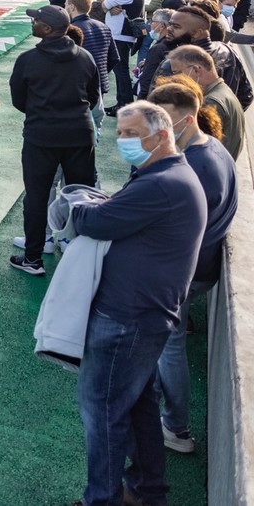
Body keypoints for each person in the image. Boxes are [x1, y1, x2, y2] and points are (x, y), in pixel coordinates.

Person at [66, 101, 206, 506]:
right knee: (137, 406)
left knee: (103, 412)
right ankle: (147, 490)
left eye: (132, 134)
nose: (124, 140)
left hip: (126, 319)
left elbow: (94, 221)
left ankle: (102, 499)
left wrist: (80, 205)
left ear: (162, 135)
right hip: (144, 316)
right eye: (121, 133)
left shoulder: (161, 184)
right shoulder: (167, 176)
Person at [144, 77, 236, 454]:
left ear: (187, 118)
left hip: (183, 274)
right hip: (198, 268)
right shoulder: (212, 148)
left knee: (169, 346)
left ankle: (176, 428)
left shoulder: (197, 164)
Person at [7, 6, 100, 275]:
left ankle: (33, 258)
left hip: (41, 136)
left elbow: (19, 99)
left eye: (36, 21)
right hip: (80, 134)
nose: (32, 23)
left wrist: (42, 112)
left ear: (47, 29)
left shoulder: (28, 60)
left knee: (36, 197)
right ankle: (83, 255)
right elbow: (92, 96)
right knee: (82, 196)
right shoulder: (84, 57)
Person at [168, 44, 244, 158]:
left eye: (177, 73)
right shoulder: (225, 92)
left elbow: (198, 149)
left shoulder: (211, 102)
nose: (175, 78)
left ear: (196, 70)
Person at [65, 0, 114, 134]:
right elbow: (114, 58)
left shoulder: (72, 31)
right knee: (94, 129)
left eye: (66, 4)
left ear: (72, 7)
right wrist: (99, 73)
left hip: (80, 88)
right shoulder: (103, 26)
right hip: (99, 85)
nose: (65, 7)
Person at [103, 0, 144, 112]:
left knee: (121, 71)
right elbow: (107, 5)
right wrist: (108, 4)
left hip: (121, 36)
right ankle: (121, 103)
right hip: (121, 35)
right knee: (120, 71)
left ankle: (124, 104)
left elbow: (104, 5)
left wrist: (106, 1)